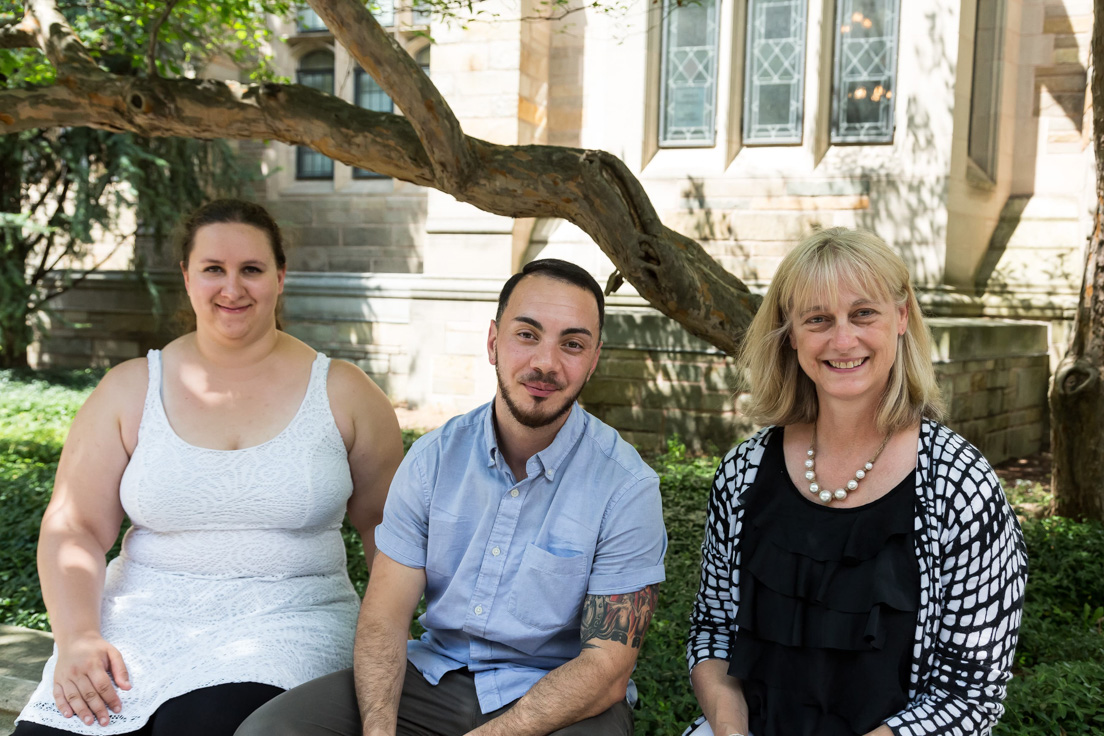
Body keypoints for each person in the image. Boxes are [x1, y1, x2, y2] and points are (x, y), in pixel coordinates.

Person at [14, 199, 404, 736]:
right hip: (140, 620)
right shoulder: (130, 389)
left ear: (281, 276)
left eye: (251, 269)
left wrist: (389, 643)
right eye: (213, 269)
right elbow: (73, 526)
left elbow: (390, 532)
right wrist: (78, 638)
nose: (232, 288)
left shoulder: (345, 392)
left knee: (203, 727)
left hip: (290, 621)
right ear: (186, 275)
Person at [236, 258, 668, 736]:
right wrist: (379, 730)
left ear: (594, 359)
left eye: (572, 344)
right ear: (492, 342)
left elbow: (606, 669)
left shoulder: (626, 487)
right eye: (527, 334)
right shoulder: (432, 460)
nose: (546, 363)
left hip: (558, 698)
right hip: (435, 679)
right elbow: (385, 617)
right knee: (269, 731)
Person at [685, 228, 1028, 736]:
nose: (842, 340)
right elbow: (713, 633)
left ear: (902, 318)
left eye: (863, 313)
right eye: (818, 319)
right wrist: (731, 728)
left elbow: (969, 698)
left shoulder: (961, 486)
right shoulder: (743, 471)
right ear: (791, 334)